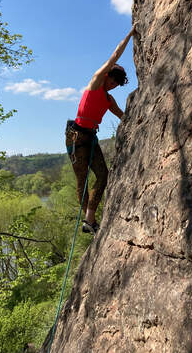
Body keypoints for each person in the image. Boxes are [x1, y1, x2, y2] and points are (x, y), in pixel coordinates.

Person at [65, 27, 135, 235]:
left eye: (116, 83)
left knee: (103, 174)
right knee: (82, 179)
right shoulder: (95, 84)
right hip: (75, 135)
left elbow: (124, 116)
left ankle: (89, 219)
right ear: (106, 75)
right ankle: (89, 220)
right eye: (111, 80)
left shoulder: (108, 99)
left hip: (91, 136)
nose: (112, 85)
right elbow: (114, 56)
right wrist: (130, 35)